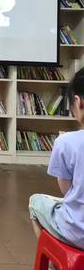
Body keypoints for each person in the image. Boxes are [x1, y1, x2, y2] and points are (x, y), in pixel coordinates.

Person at [29, 68, 84, 250]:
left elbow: (66, 188)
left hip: (78, 232)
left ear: (78, 101)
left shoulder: (66, 142)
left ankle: (53, 261)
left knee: (35, 202)